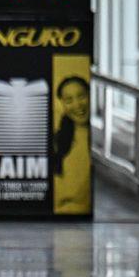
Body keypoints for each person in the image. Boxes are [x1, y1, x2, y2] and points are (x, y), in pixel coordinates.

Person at [52, 76, 91, 213]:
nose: (77, 105)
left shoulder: (98, 138)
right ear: (62, 104)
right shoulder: (59, 139)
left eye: (81, 96)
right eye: (69, 100)